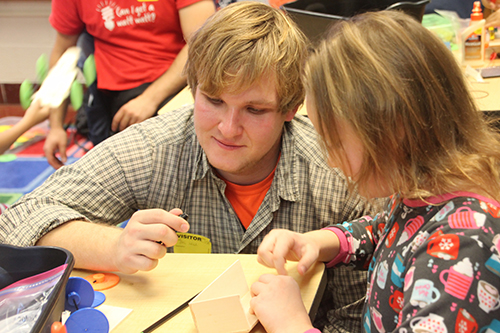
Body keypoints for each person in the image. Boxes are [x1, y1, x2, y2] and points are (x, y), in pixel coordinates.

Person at [0, 3, 383, 332]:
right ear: (192, 89)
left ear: (290, 109)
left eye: (255, 109)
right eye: (213, 100)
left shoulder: (341, 176)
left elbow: (356, 320)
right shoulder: (155, 148)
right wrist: (113, 246)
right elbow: (17, 220)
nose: (228, 128)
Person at [250, 10, 500, 333]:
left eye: (336, 142)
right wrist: (320, 241)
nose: (331, 160)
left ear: (392, 129)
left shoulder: (466, 245)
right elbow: (389, 229)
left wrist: (293, 325)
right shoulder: (422, 191)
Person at [44, 0, 215, 169]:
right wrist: (56, 126)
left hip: (178, 85)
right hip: (117, 99)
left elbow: (202, 44)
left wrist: (149, 99)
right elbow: (63, 55)